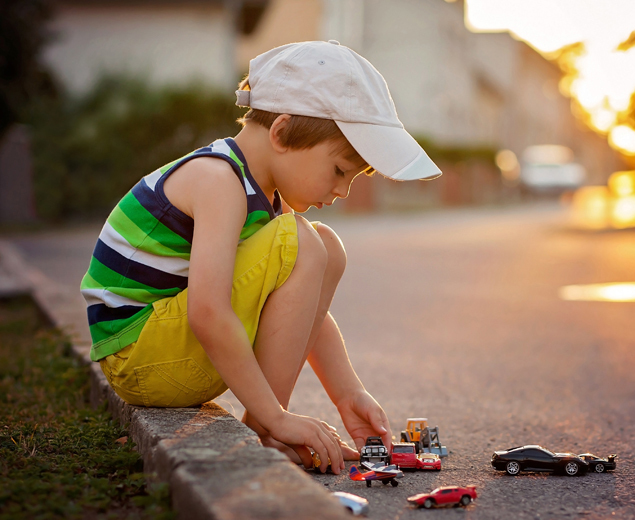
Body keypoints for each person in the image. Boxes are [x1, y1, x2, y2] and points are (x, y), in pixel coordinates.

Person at [80, 40, 441, 474]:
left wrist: (348, 394)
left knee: (326, 247)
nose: (342, 190)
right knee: (309, 242)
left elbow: (301, 309)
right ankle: (266, 427)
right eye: (340, 171)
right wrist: (276, 416)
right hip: (139, 356)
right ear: (282, 132)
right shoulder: (218, 179)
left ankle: (266, 427)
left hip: (171, 354)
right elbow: (209, 312)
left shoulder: (264, 197)